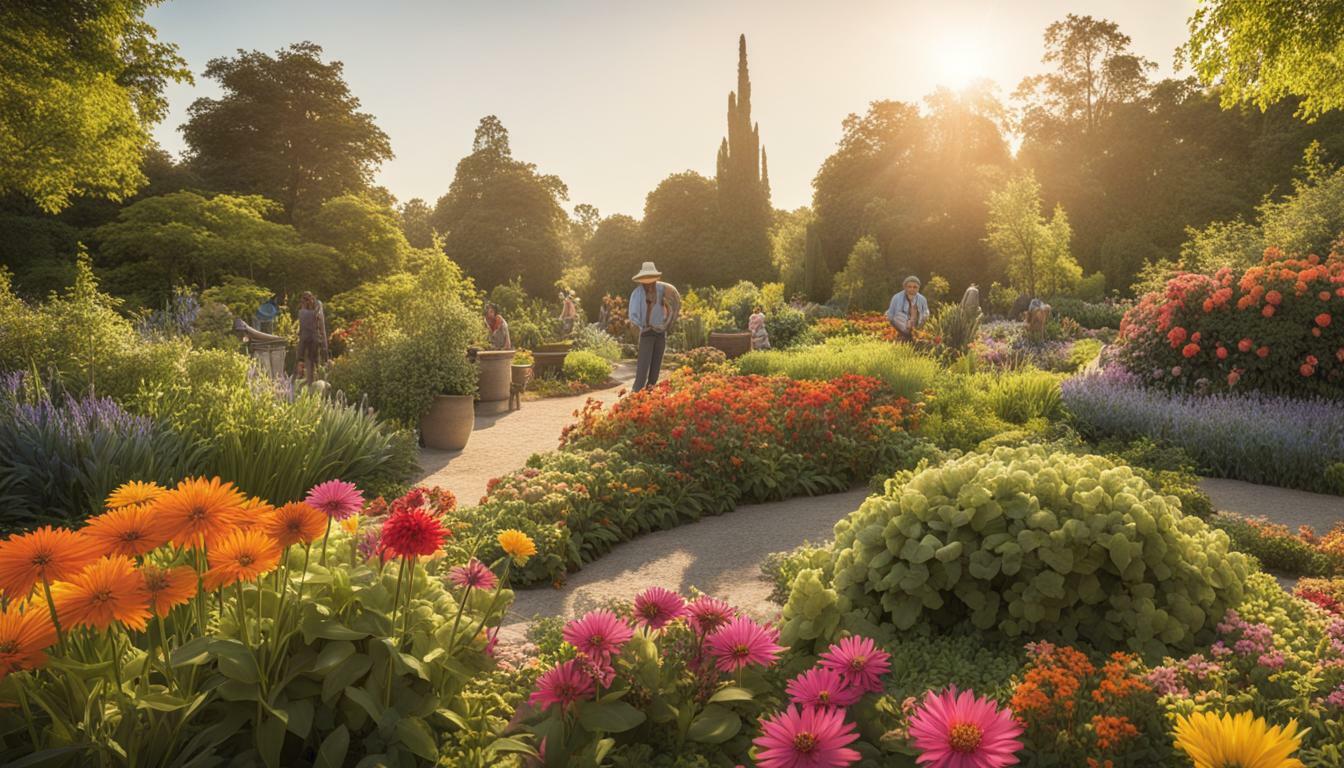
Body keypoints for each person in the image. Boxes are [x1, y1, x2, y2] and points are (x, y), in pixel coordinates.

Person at [628, 261, 681, 391]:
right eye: (646, 281)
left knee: (655, 370)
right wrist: (643, 326)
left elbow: (675, 302)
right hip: (646, 333)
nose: (649, 284)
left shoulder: (662, 289)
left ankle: (650, 397)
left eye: (651, 281)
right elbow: (633, 316)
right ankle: (635, 397)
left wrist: (667, 322)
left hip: (660, 333)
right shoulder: (637, 294)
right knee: (643, 370)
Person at [297, 291, 328, 387]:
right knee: (313, 367)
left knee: (312, 367)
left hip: (309, 342)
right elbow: (321, 329)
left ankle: (312, 386)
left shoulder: (303, 312)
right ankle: (313, 387)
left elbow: (302, 331)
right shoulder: (311, 312)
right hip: (312, 342)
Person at [885, 275, 929, 342]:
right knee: (898, 316)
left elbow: (925, 313)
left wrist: (917, 320)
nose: (912, 289)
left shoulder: (922, 299)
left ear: (918, 288)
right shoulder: (896, 297)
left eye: (915, 287)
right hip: (901, 324)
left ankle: (914, 335)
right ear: (905, 287)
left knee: (922, 315)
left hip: (916, 323)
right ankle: (905, 335)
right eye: (909, 287)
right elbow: (890, 315)